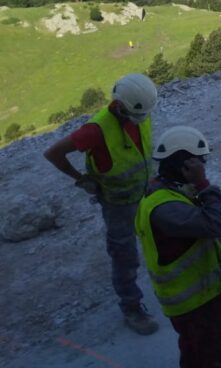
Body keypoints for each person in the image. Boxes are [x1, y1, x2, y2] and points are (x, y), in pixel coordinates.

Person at [44, 73, 160, 335]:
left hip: (145, 189)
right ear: (119, 105)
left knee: (162, 229)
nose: (141, 118)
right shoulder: (95, 130)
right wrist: (80, 178)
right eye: (135, 114)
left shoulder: (140, 109)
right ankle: (131, 307)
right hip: (118, 204)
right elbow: (53, 152)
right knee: (124, 254)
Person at [136, 125, 221, 368]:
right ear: (185, 165)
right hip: (196, 302)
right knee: (216, 350)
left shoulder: (165, 189)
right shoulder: (166, 208)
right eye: (199, 162)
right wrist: (203, 184)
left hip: (202, 295)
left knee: (200, 350)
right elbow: (220, 224)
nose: (203, 166)